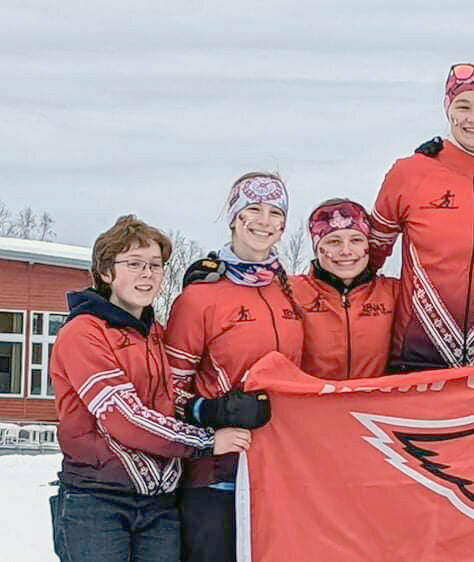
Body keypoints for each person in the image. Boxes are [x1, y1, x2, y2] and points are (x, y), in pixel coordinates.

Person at [49, 215, 251, 562]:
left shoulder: (156, 335)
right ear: (106, 273)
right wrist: (207, 441)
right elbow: (125, 418)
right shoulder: (83, 333)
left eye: (155, 265)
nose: (147, 273)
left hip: (158, 506)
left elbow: (182, 392)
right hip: (98, 503)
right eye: (134, 264)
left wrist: (219, 409)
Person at [164, 172, 303, 562]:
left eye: (275, 212)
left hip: (278, 468)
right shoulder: (200, 297)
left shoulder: (290, 293)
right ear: (234, 218)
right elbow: (166, 391)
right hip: (217, 473)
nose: (264, 220)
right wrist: (210, 411)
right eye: (253, 210)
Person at [368, 63, 474, 372]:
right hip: (416, 357)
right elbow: (369, 256)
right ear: (447, 108)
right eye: (463, 106)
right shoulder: (409, 172)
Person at [292, 198, 399, 379]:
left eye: (356, 240)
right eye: (334, 242)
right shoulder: (289, 291)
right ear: (317, 248)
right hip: (312, 404)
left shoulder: (394, 292)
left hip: (374, 404)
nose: (346, 251)